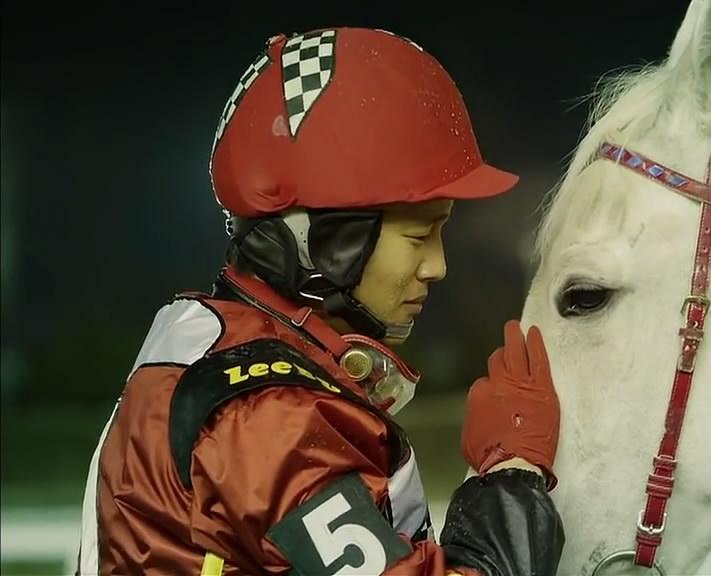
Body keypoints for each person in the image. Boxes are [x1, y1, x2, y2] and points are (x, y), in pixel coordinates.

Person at [75, 26, 563, 575]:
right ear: (328, 240)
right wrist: (512, 475)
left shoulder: (214, 346)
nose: (437, 265)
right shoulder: (271, 418)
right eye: (418, 235)